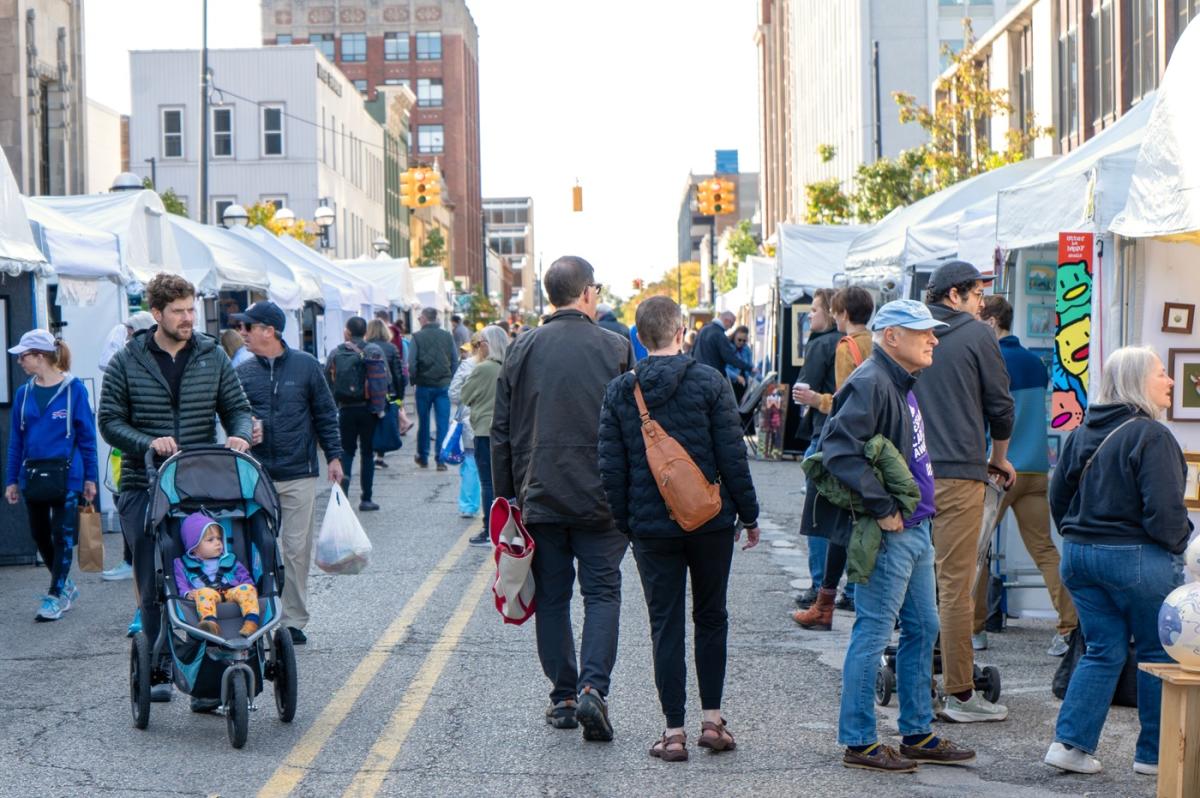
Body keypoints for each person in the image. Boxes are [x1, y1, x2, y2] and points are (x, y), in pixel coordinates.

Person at [803, 299, 975, 773]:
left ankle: (916, 731)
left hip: (914, 528)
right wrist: (882, 509)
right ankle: (859, 741)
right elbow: (838, 450)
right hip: (893, 532)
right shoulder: (873, 381)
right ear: (892, 336)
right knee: (875, 631)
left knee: (923, 628)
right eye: (924, 332)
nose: (934, 339)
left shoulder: (895, 380)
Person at [598, 295, 760, 762]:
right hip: (710, 519)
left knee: (664, 623)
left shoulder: (620, 391)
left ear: (639, 337)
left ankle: (672, 732)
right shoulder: (710, 382)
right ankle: (712, 721)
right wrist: (748, 515)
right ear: (681, 331)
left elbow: (611, 467)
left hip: (651, 529)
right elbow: (733, 457)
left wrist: (628, 524)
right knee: (712, 616)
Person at [492, 255, 633, 742]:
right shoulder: (616, 346)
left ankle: (565, 696)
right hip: (603, 496)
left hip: (540, 493)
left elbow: (501, 431)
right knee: (602, 593)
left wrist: (504, 501)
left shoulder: (521, 348)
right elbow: (634, 426)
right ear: (588, 294)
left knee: (552, 597)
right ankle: (595, 686)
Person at [99, 272, 253, 705]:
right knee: (154, 580)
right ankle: (161, 664)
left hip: (199, 482)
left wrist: (239, 434)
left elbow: (237, 408)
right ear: (157, 314)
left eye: (192, 310)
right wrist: (148, 442)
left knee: (209, 573)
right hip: (142, 483)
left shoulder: (212, 354)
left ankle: (208, 674)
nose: (189, 319)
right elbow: (109, 422)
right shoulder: (127, 361)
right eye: (179, 312)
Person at [1044, 347, 1188, 776]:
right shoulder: (1152, 435)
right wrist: (1185, 546)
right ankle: (1154, 755)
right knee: (1157, 652)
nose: (1171, 382)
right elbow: (1164, 515)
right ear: (1140, 381)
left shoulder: (1082, 432)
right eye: (1162, 373)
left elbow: (1058, 499)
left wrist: (1082, 534)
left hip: (1080, 557)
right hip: (1137, 559)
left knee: (1102, 650)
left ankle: (1069, 746)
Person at [913, 260, 1015, 723]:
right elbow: (1001, 407)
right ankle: (959, 692)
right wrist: (999, 455)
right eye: (976, 294)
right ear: (953, 296)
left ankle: (917, 686)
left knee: (913, 582)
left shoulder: (908, 333)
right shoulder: (977, 336)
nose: (981, 303)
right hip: (957, 472)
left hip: (907, 475)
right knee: (955, 584)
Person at [232, 301, 344, 644]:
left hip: (299, 472)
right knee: (257, 547)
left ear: (269, 330)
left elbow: (326, 413)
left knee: (296, 549)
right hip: (256, 473)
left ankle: (293, 620)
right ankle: (258, 612)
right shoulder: (243, 372)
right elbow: (231, 415)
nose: (242, 333)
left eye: (248, 327)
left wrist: (334, 456)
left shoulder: (306, 366)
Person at [975, 296, 1077, 656]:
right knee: (1046, 551)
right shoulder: (1035, 363)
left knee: (976, 551)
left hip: (999, 470)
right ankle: (1069, 628)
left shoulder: (991, 361)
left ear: (990, 322)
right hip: (1036, 468)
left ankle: (974, 631)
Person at [792, 286, 876, 625]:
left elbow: (844, 401)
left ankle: (823, 597)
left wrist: (815, 400)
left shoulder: (847, 346)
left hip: (843, 443)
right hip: (874, 443)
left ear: (840, 313)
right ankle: (850, 593)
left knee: (828, 520)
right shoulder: (878, 343)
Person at [5, 330, 98, 622]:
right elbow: (16, 441)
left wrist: (90, 478)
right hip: (33, 474)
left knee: (63, 534)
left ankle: (56, 594)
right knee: (39, 534)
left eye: (24, 355)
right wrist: (11, 479)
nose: (20, 361)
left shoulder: (75, 390)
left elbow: (87, 438)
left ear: (40, 356)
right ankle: (64, 585)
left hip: (68, 475)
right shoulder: (24, 393)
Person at [99, 310, 156, 586]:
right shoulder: (124, 361)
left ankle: (132, 563)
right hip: (125, 455)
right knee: (123, 504)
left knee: (140, 515)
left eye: (131, 332)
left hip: (146, 459)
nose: (128, 338)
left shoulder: (142, 366)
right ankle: (129, 561)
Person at [791, 288, 837, 608]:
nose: (810, 314)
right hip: (847, 435)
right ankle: (845, 589)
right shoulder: (852, 343)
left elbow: (806, 388)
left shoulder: (821, 344)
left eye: (815, 310)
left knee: (818, 514)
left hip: (823, 432)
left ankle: (820, 584)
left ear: (832, 313)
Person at [325, 317, 383, 510]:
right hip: (368, 409)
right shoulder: (374, 350)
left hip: (345, 409)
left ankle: (343, 496)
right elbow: (385, 379)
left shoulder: (336, 352)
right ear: (365, 332)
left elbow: (327, 381)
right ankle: (366, 498)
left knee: (346, 452)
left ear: (348, 332)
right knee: (367, 454)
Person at [460, 325, 509, 547]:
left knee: (487, 482)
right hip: (506, 430)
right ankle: (506, 526)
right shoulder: (510, 367)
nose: (479, 347)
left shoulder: (483, 368)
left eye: (481, 343)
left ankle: (489, 528)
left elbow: (465, 395)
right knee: (505, 482)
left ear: (488, 344)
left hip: (483, 430)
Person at [173, 513, 260, 637]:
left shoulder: (229, 559)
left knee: (247, 588)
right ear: (194, 547)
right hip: (207, 595)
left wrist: (249, 588)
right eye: (210, 540)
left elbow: (244, 576)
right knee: (203, 593)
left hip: (231, 592)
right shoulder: (183, 564)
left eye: (219, 538)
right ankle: (210, 624)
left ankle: (251, 621)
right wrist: (186, 593)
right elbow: (180, 582)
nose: (218, 543)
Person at [409, 307, 459, 472]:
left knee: (423, 422)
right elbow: (454, 359)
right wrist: (449, 378)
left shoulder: (416, 337)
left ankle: (423, 457)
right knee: (442, 423)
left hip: (423, 385)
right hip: (443, 385)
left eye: (419, 318)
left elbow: (412, 363)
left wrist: (414, 380)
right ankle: (441, 459)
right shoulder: (447, 336)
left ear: (424, 318)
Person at [365, 318, 405, 470]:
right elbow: (398, 373)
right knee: (384, 424)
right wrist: (399, 396)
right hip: (388, 392)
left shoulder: (366, 347)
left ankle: (370, 453)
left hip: (369, 392)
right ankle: (379, 457)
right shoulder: (391, 348)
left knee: (372, 423)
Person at [448, 338, 480, 519]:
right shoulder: (503, 362)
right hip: (497, 418)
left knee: (471, 462)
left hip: (471, 418)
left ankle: (468, 505)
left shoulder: (468, 365)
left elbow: (453, 393)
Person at [693, 311, 752, 384]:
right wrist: (749, 368)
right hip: (711, 376)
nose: (731, 327)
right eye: (732, 324)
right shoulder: (720, 335)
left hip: (698, 373)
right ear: (727, 321)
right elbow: (730, 358)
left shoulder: (704, 329)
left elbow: (693, 350)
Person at [725, 325, 754, 406]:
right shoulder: (728, 348)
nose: (741, 343)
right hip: (731, 383)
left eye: (744, 341)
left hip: (744, 383)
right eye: (739, 340)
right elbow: (724, 367)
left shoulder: (747, 349)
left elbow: (749, 366)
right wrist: (736, 377)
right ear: (734, 337)